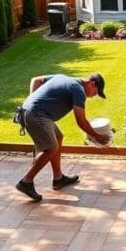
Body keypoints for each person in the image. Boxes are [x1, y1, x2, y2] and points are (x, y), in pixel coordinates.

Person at [15, 73, 110, 201]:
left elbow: (36, 80)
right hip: (36, 115)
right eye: (95, 92)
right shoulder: (78, 90)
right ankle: (26, 182)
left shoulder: (63, 78)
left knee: (58, 137)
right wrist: (97, 136)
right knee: (51, 148)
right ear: (91, 83)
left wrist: (32, 100)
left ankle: (58, 179)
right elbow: (81, 121)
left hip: (32, 112)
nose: (93, 96)